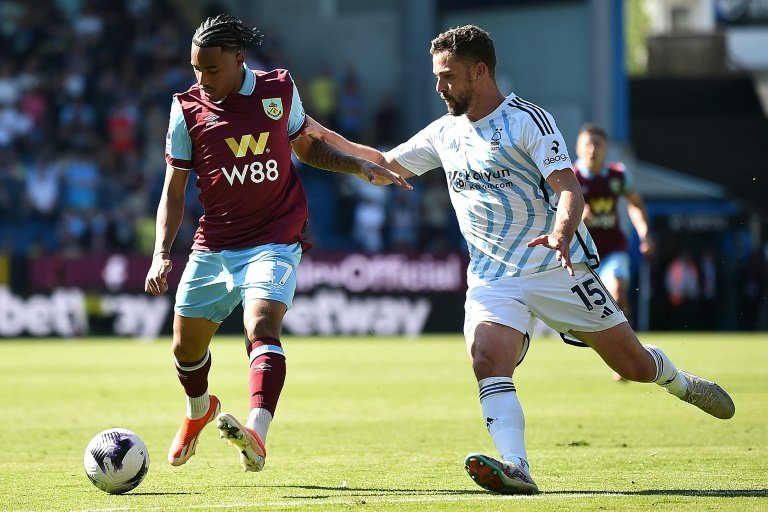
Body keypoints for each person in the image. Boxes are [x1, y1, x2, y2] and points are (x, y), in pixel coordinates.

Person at [308, 24, 735, 495]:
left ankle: (679, 381)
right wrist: (314, 132)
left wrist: (559, 232)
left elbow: (568, 188)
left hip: (555, 267)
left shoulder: (528, 121)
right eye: (436, 76)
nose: (438, 86)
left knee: (633, 366)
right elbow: (385, 164)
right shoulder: (444, 133)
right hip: (492, 277)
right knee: (486, 358)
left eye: (447, 76)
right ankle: (516, 467)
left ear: (479, 71)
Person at [144, 14, 410, 474]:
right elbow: (173, 188)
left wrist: (358, 165)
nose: (202, 79)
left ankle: (256, 433)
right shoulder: (185, 108)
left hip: (275, 234)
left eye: (211, 69)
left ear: (238, 60)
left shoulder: (277, 89)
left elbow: (307, 146)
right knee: (186, 350)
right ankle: (198, 412)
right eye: (195, 69)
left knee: (262, 324)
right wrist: (161, 253)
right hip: (215, 243)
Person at [573, 123, 653, 380]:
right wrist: (573, 214)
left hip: (612, 249)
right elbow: (550, 210)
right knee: (595, 310)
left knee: (617, 289)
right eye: (588, 144)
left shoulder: (617, 175)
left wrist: (643, 233)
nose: (593, 149)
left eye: (598, 144)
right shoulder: (570, 176)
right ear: (578, 148)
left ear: (606, 148)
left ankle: (626, 356)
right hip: (580, 255)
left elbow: (636, 204)